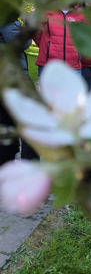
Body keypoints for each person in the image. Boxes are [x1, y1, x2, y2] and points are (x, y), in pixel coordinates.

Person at [0, 20, 39, 165]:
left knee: (6, 122)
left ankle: (6, 166)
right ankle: (30, 165)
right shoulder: (5, 17)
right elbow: (22, 42)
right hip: (14, 76)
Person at [34, 6, 85, 77]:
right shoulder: (46, 12)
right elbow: (36, 33)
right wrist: (47, 48)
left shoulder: (80, 14)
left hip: (73, 67)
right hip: (48, 66)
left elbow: (86, 37)